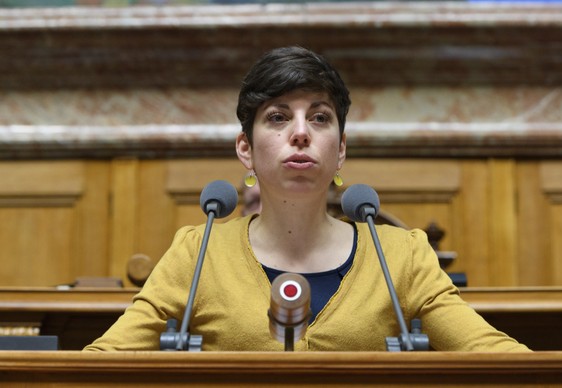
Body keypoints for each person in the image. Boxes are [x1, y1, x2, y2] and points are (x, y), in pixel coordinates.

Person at [84, 46, 529, 352]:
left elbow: (491, 354)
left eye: (319, 117)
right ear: (246, 149)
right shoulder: (196, 251)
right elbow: (102, 361)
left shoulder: (401, 254)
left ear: (340, 151)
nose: (300, 133)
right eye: (278, 117)